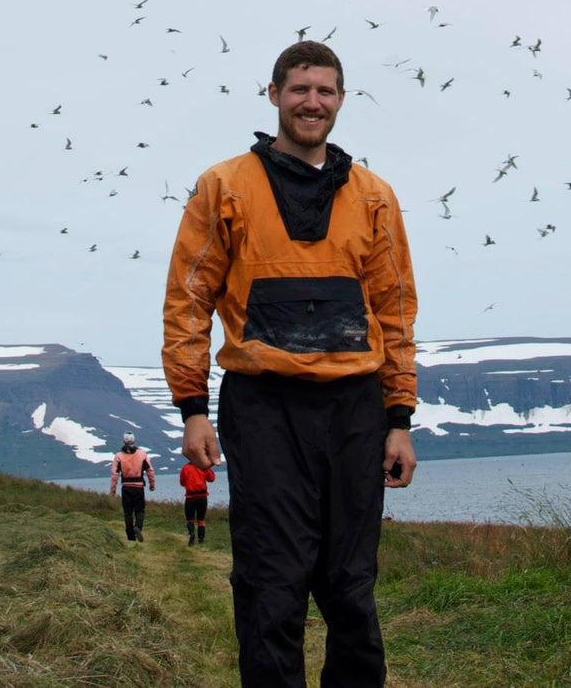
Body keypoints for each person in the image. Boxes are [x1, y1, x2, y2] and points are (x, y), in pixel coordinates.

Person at [162, 40, 418, 687]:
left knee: (351, 586)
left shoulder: (373, 197)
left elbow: (394, 311)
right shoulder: (224, 187)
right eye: (300, 89)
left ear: (340, 101)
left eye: (325, 91)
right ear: (273, 95)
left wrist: (400, 417)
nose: (313, 102)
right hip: (263, 405)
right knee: (272, 583)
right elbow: (188, 300)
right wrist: (192, 407)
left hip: (355, 409)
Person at [109, 431, 156, 542]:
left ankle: (131, 537)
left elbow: (115, 474)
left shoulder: (119, 456)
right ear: (134, 440)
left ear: (124, 441)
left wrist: (113, 491)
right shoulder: (142, 454)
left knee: (127, 512)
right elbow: (150, 470)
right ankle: (138, 527)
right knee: (140, 511)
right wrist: (152, 485)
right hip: (139, 487)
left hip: (126, 487)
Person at [180, 460, 217, 546]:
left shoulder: (185, 468)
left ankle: (192, 534)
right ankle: (201, 540)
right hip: (202, 497)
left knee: (190, 519)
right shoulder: (203, 466)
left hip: (190, 497)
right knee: (201, 520)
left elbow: (182, 483)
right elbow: (212, 478)